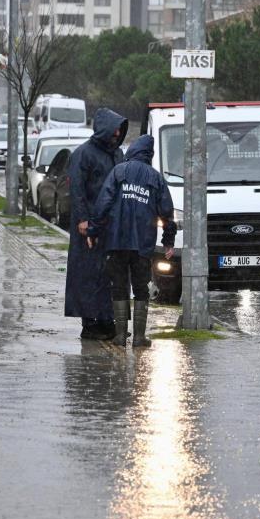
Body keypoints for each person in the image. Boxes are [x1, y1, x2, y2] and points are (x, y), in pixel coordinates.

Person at [88, 134, 176, 347]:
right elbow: (166, 212)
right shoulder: (155, 178)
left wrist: (93, 230)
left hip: (116, 241)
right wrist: (168, 241)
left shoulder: (118, 172)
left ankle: (119, 336)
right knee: (141, 288)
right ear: (149, 155)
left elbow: (103, 204)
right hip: (142, 244)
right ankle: (138, 337)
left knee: (118, 286)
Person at [65, 108, 128, 340]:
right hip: (89, 224)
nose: (118, 133)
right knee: (87, 273)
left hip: (111, 224)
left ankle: (107, 319)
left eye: (120, 129)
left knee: (109, 274)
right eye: (115, 128)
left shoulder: (117, 154)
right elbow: (77, 189)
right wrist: (82, 219)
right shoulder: (83, 154)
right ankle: (89, 322)